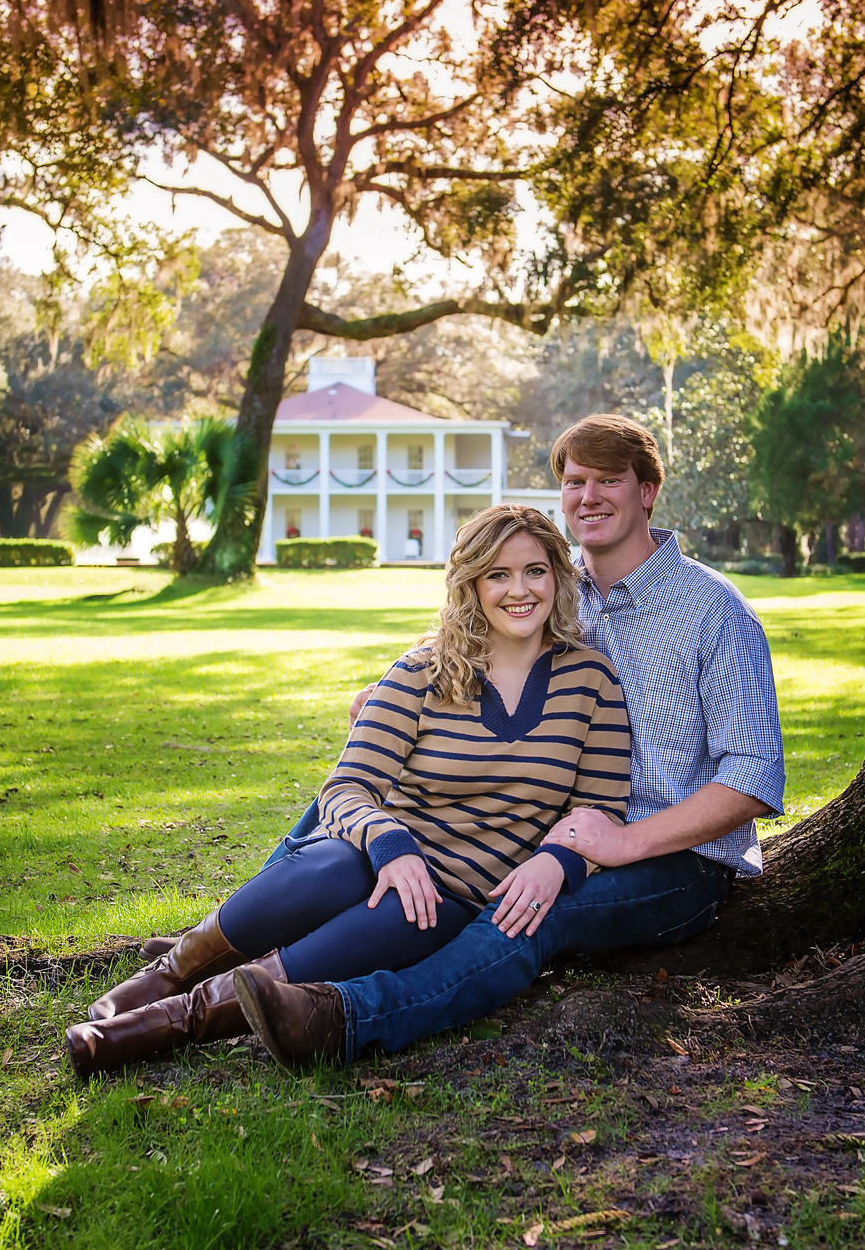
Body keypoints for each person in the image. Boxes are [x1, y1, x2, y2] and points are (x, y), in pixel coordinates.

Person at [233, 414, 783, 1067]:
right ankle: (235, 942)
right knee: (371, 786)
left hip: (673, 858)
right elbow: (474, 632)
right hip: (553, 820)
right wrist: (392, 689)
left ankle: (345, 1016)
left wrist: (623, 840)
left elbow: (753, 775)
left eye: (610, 479)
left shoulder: (715, 612)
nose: (589, 495)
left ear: (648, 491)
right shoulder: (556, 582)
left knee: (529, 910)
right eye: (575, 480)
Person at [65, 504, 631, 1077]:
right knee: (324, 871)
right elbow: (347, 788)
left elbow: (601, 807)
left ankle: (151, 1029)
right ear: (472, 584)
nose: (520, 590)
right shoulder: (422, 672)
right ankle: (166, 973)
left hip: (453, 896)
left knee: (328, 953)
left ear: (557, 576)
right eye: (499, 575)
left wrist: (558, 863)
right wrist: (393, 844)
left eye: (535, 571)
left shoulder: (591, 681)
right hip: (372, 854)